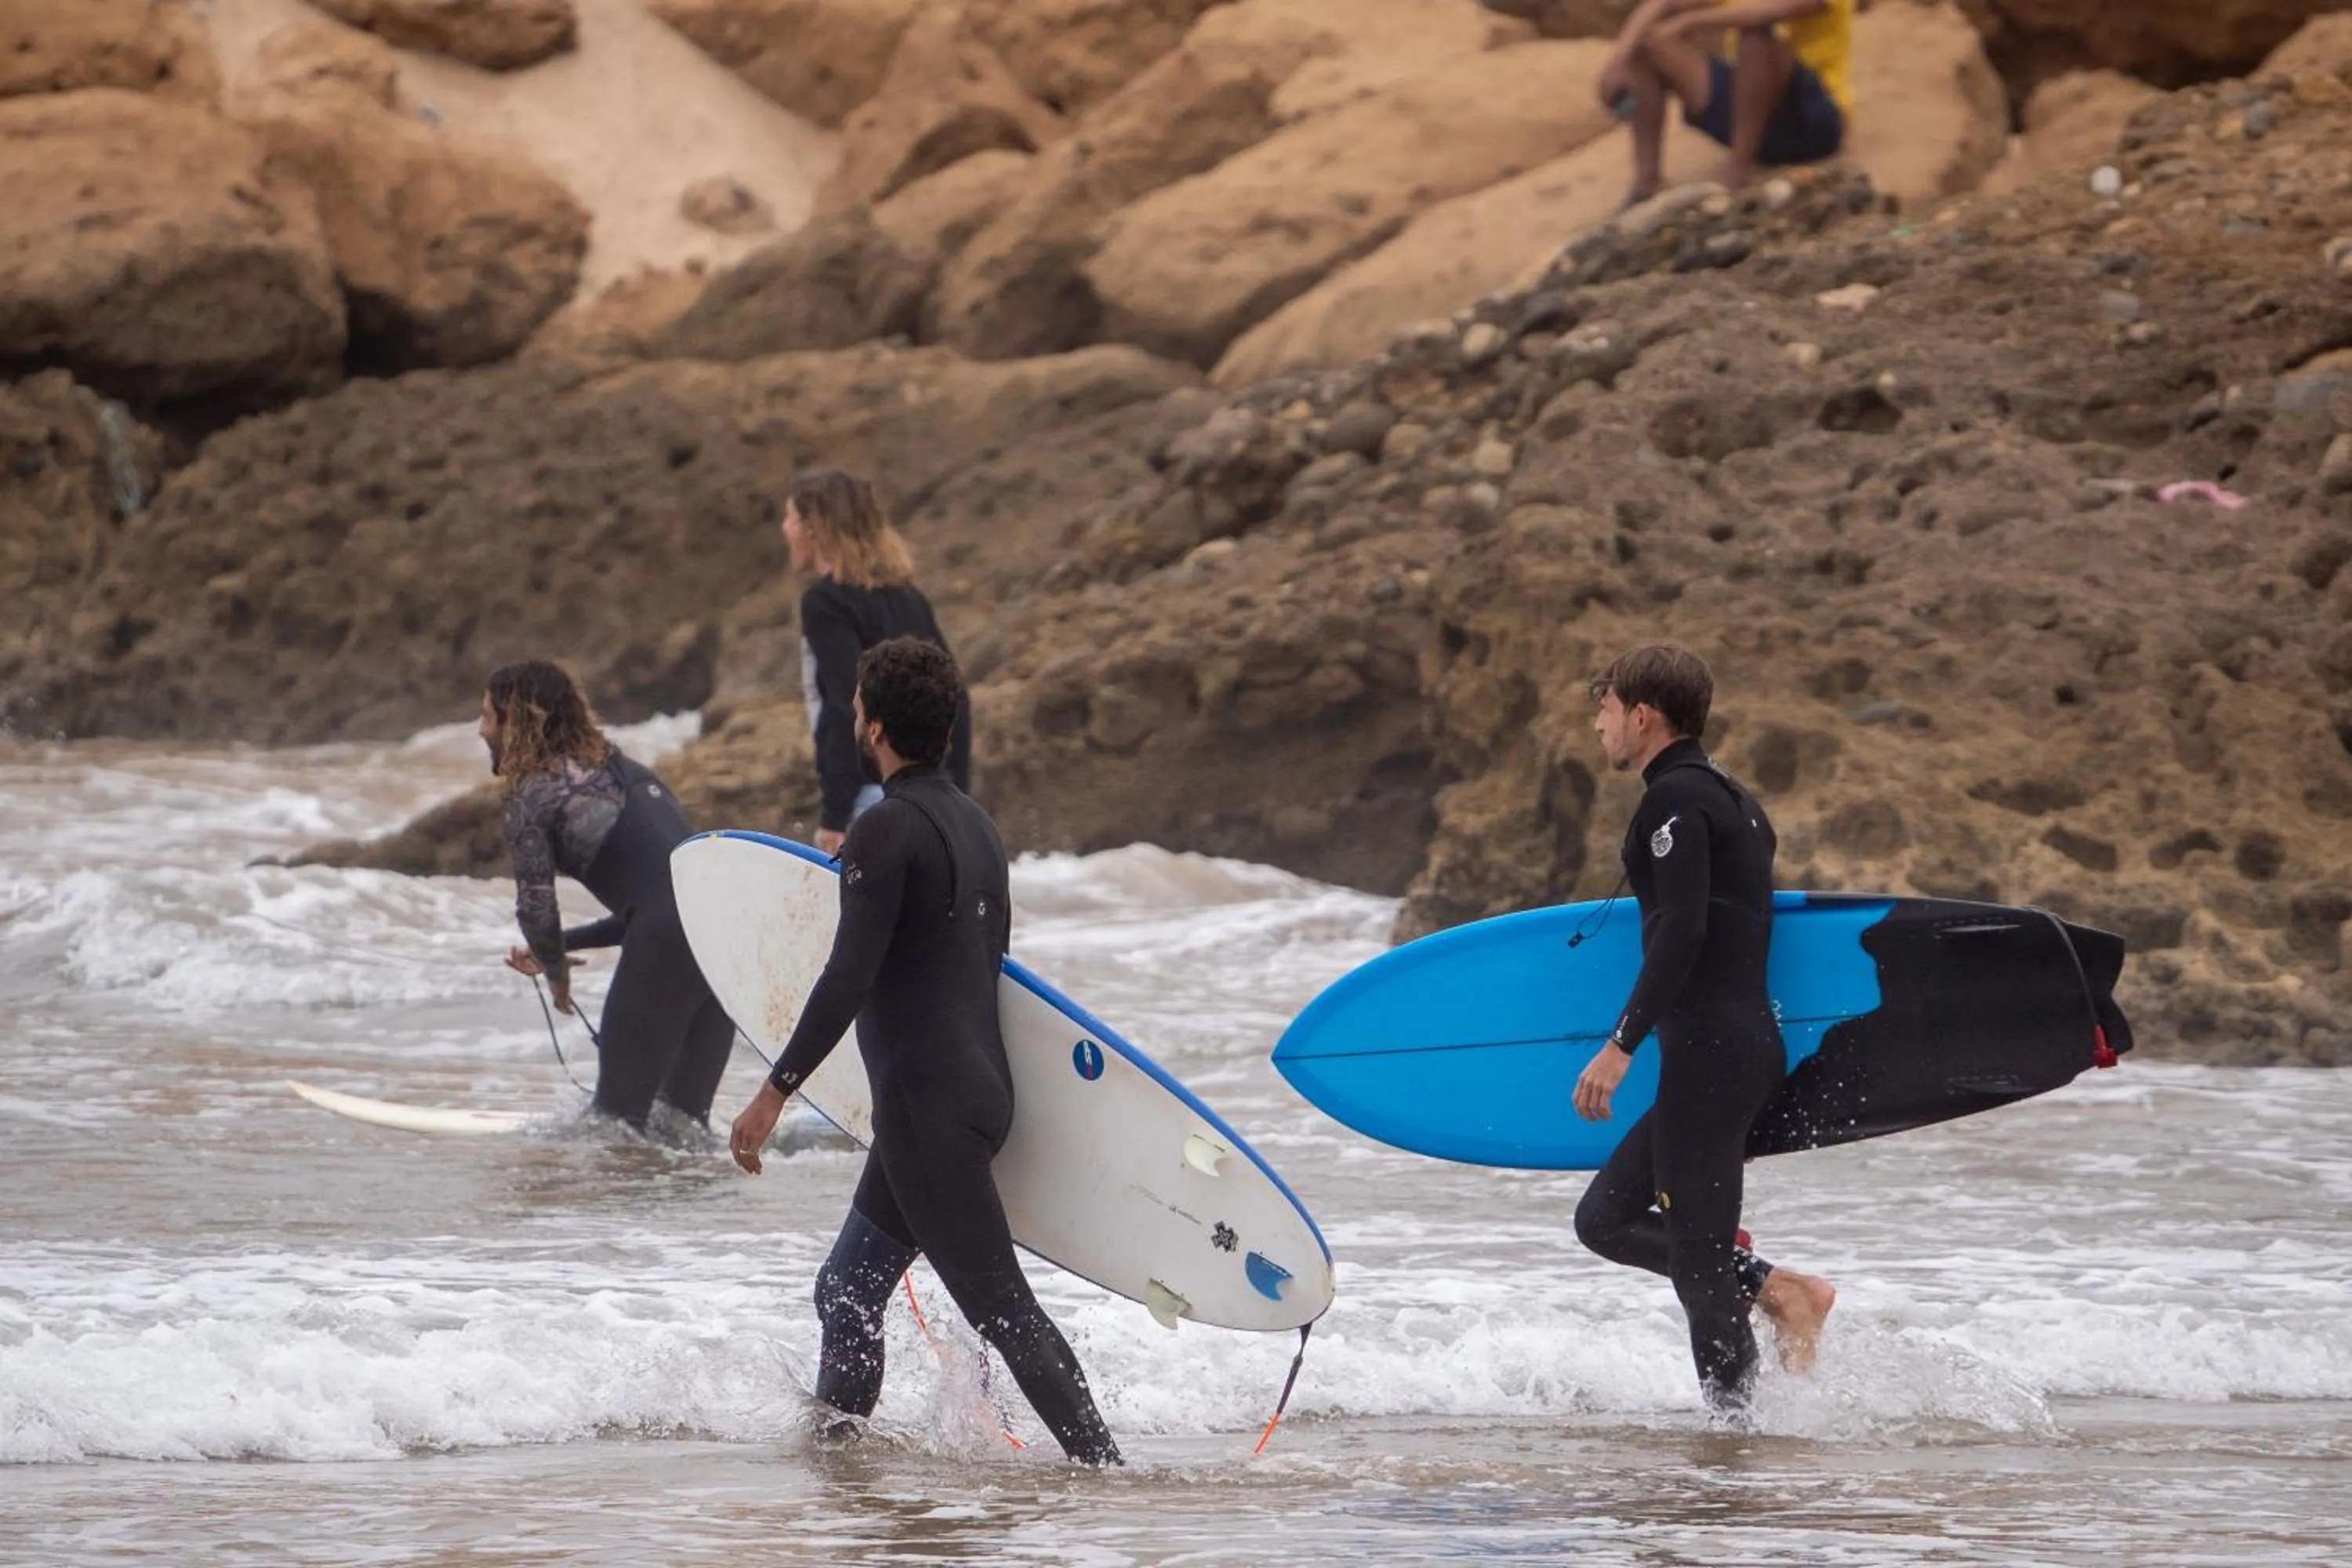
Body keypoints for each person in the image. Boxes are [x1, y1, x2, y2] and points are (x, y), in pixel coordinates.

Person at [728, 637, 1120, 1465]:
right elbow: (993, 971)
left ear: (872, 725)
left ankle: (1109, 1473)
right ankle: (839, 1461)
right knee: (846, 1288)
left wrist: (774, 1092)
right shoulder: (978, 827)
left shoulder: (886, 829)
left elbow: (847, 976)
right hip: (975, 1091)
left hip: (925, 1108)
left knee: (1002, 1308)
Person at [1569, 644, 1837, 1417]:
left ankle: (1733, 1448)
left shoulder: (1678, 800)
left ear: (1643, 715)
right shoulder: (1734, 798)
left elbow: (1682, 931)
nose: (1599, 723)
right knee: (1605, 1219)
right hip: (1730, 1048)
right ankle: (1781, 1289)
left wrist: (1621, 1043)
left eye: (1607, 708)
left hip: (1715, 1053)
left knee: (1699, 1262)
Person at [482, 660, 735, 1132]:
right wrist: (562, 948)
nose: (481, 730)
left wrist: (555, 970)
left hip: (670, 940)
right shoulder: (630, 773)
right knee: (682, 1125)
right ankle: (707, 1208)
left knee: (617, 1124)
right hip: (726, 935)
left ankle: (605, 1210)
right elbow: (663, 905)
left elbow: (535, 908)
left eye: (488, 717)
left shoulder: (534, 795)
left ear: (517, 722)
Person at [782, 468, 972, 855]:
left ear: (812, 529)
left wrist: (834, 817)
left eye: (790, 517)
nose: (784, 527)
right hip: (932, 796)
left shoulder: (825, 603)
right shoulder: (908, 596)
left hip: (872, 798)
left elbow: (844, 705)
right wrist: (960, 798)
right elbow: (956, 697)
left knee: (860, 916)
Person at [1595, 0, 1853, 205]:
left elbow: (1790, 6)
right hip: (1750, 112)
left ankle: (1737, 173)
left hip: (1812, 121)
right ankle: (1647, 183)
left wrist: (1690, 20)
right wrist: (1619, 60)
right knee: (1647, 43)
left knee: (1756, 37)